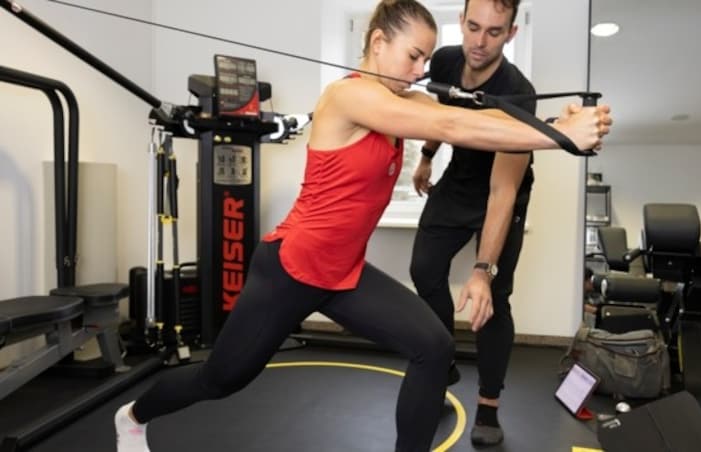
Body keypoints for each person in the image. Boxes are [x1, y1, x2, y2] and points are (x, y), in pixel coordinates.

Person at [114, 1, 611, 451]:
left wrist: (550, 126)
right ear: (378, 43)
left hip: (344, 273)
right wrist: (565, 137)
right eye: (414, 56)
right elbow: (450, 128)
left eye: (426, 59)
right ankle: (133, 418)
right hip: (291, 271)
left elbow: (475, 124)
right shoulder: (348, 98)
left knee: (433, 347)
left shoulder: (403, 98)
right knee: (220, 381)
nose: (421, 71)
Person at [408, 0, 570, 446]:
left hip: (504, 190)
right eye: (473, 27)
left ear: (511, 33)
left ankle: (489, 406)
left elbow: (502, 190)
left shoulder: (518, 92)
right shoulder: (443, 60)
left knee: (494, 295)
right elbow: (442, 117)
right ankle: (443, 361)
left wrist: (482, 269)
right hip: (459, 177)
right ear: (460, 21)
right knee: (424, 270)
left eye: (494, 32)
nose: (479, 42)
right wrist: (424, 158)